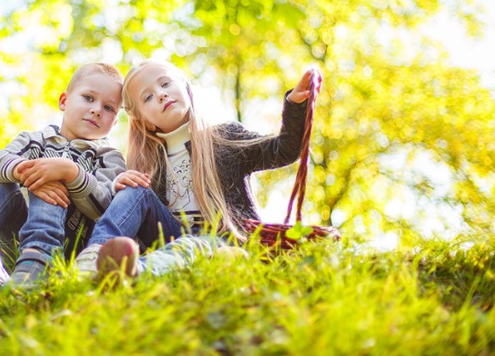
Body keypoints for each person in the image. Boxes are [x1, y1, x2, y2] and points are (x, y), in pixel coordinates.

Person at [75, 59, 320, 278]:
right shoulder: (150, 164)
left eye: (165, 84)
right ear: (145, 121)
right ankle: (93, 258)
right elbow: (139, 213)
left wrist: (295, 103)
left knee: (191, 245)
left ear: (186, 89)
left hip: (222, 237)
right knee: (135, 188)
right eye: (147, 97)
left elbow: (284, 150)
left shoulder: (225, 138)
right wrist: (123, 185)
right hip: (169, 236)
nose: (160, 94)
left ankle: (136, 271)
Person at [0, 63, 126, 300]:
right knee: (3, 180)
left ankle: (39, 263)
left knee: (50, 176)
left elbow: (105, 207)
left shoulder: (109, 156)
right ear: (64, 101)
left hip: (68, 255)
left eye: (109, 107)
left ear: (115, 122)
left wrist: (70, 173)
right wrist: (23, 171)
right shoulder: (35, 140)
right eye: (88, 98)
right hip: (19, 250)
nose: (97, 110)